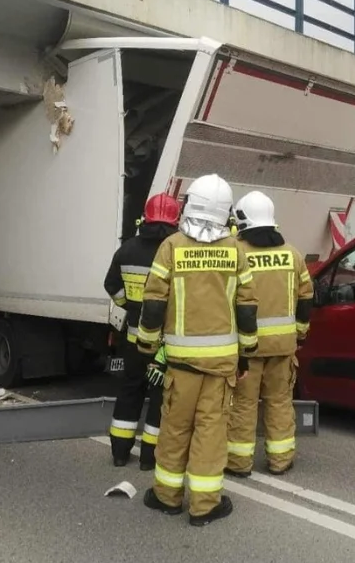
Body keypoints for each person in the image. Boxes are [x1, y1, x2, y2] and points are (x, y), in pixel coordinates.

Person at [136, 174, 258, 526]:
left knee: (174, 429)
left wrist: (146, 345)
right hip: (221, 367)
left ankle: (166, 497)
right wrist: (245, 355)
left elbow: (154, 303)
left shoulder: (171, 246)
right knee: (211, 434)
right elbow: (247, 307)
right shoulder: (236, 250)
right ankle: (204, 506)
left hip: (181, 365)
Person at [225, 191, 314, 477]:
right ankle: (280, 460)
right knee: (279, 403)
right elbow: (306, 299)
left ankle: (238, 463)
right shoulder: (292, 254)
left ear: (242, 220)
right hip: (284, 348)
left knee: (243, 405)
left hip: (247, 349)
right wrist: (300, 335)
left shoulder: (237, 252)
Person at [102, 193, 181, 469]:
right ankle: (150, 458)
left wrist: (131, 307)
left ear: (145, 218)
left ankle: (120, 453)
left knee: (130, 391)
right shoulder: (176, 251)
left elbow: (111, 285)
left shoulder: (127, 249)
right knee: (160, 398)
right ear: (175, 219)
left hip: (134, 337)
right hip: (165, 344)